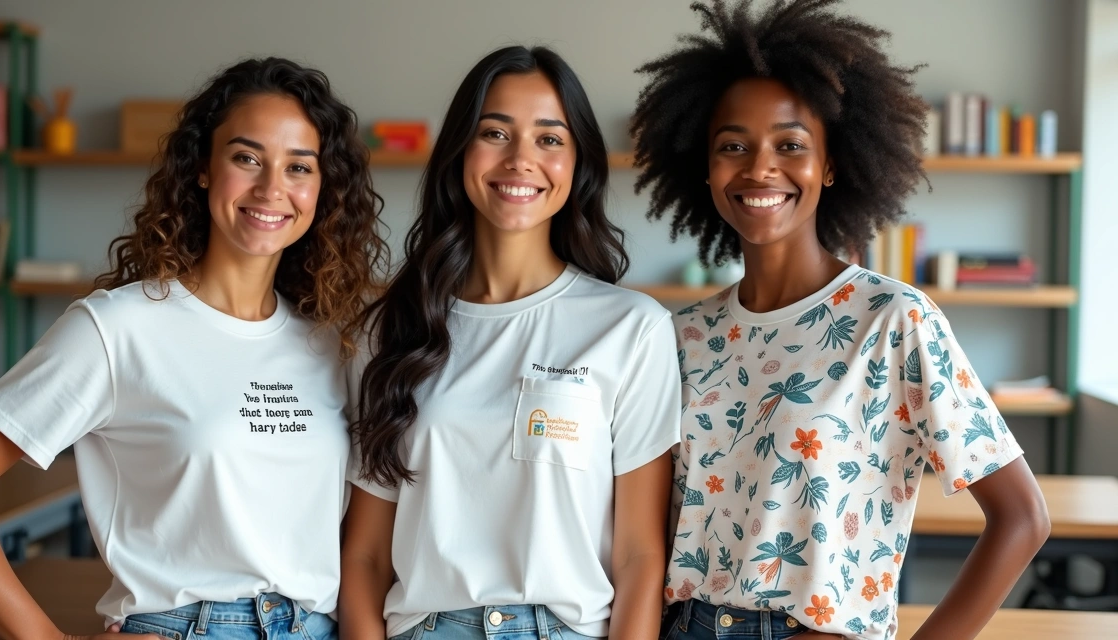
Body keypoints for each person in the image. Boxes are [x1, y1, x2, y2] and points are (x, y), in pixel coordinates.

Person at [0, 56, 387, 640]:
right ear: (204, 168)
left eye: (299, 167)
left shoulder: (331, 343)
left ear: (322, 188)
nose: (271, 188)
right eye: (247, 157)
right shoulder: (118, 328)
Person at [629, 2, 1051, 639]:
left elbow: (1023, 518)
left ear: (829, 164)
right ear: (707, 168)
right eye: (732, 146)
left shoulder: (893, 321)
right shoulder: (680, 336)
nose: (759, 166)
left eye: (790, 145)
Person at [339, 45, 681, 640]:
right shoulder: (389, 330)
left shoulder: (630, 328)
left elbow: (640, 557)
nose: (521, 159)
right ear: (460, 152)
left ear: (578, 164)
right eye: (495, 132)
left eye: (550, 139)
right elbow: (365, 557)